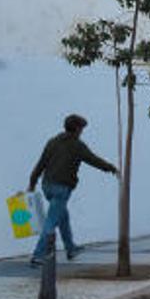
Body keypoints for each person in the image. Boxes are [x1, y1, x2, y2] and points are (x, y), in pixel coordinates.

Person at [27, 114, 118, 266]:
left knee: (63, 217)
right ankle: (38, 255)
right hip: (62, 188)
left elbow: (41, 164)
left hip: (47, 186)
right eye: (82, 128)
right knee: (51, 222)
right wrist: (111, 168)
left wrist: (32, 183)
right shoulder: (77, 145)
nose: (82, 132)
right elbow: (93, 160)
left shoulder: (52, 142)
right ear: (76, 128)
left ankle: (71, 248)